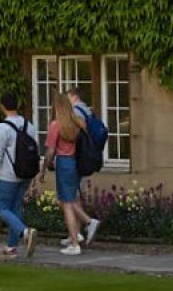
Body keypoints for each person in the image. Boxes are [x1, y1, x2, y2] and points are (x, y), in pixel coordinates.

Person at [0, 91, 38, 258]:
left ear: (2, 107)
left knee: (2, 208)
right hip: (26, 173)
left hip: (9, 174)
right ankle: (11, 247)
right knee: (15, 208)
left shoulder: (2, 128)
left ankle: (25, 232)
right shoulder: (29, 126)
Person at [39, 92, 88, 256]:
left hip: (63, 163)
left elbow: (50, 150)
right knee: (72, 198)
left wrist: (43, 169)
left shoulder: (56, 125)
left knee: (66, 203)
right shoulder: (76, 122)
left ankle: (75, 242)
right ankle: (77, 233)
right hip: (74, 162)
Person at [65, 86, 102, 247]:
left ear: (73, 96)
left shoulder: (77, 111)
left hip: (77, 157)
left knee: (69, 196)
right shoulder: (87, 110)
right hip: (83, 156)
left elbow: (75, 133)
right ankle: (75, 232)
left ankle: (84, 226)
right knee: (74, 194)